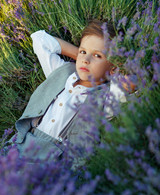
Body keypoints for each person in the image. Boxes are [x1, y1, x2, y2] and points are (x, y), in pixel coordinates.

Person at [11, 20, 135, 160]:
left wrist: (115, 66)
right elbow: (40, 40)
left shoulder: (106, 99)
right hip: (25, 143)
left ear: (113, 68)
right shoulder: (63, 73)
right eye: (83, 51)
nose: (86, 60)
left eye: (97, 56)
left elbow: (131, 81)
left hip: (55, 161)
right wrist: (81, 56)